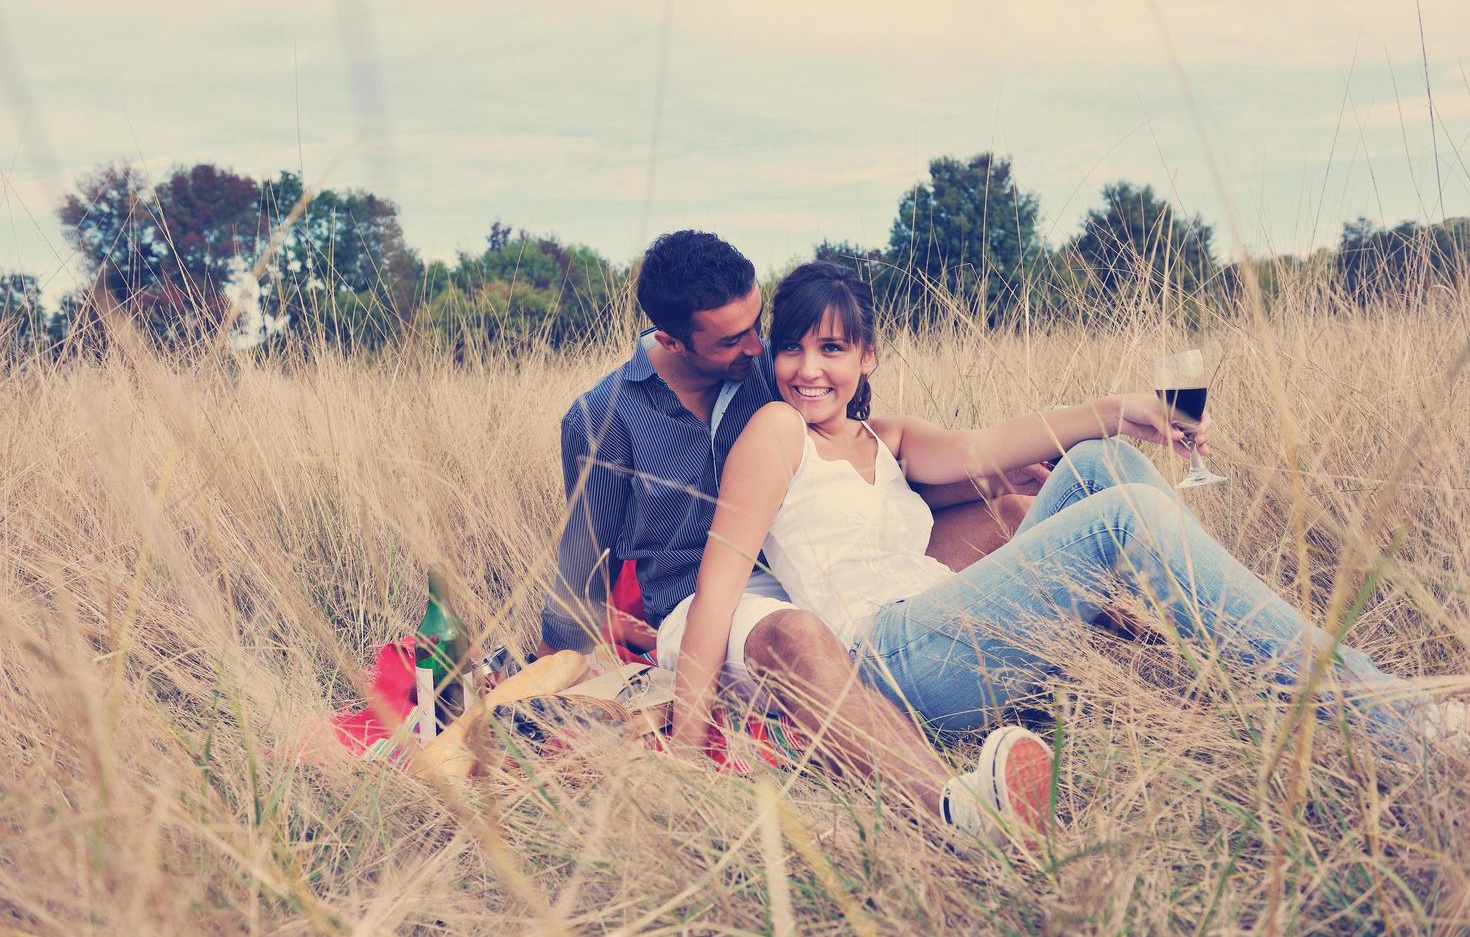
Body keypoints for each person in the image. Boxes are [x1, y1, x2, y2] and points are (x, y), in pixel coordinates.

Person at [668, 260, 1467, 841]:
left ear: (868, 357)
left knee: (1101, 465)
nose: (810, 370)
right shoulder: (775, 433)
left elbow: (991, 445)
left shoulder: (890, 438)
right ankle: (1396, 720)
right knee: (1120, 519)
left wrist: (1120, 411)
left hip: (945, 628)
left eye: (833, 350)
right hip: (885, 655)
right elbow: (721, 580)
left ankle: (1247, 664)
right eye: (794, 350)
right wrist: (683, 737)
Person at [542, 232, 1052, 843]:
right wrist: (587, 645)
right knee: (796, 633)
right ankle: (954, 809)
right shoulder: (602, 418)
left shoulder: (777, 365)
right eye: (733, 340)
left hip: (819, 567)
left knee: (1013, 508)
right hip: (713, 602)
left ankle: (1128, 675)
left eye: (760, 326)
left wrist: (986, 479)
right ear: (673, 339)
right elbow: (582, 560)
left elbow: (848, 468)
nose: (759, 348)